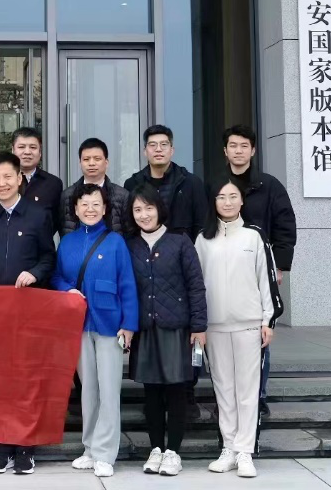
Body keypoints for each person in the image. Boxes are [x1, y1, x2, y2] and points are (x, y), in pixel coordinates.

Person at [0, 151, 56, 476]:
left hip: (28, 312)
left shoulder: (38, 215)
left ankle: (25, 446)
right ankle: (2, 445)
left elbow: (49, 258)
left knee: (26, 379)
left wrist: (34, 273)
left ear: (20, 178)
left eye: (8, 176)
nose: (2, 183)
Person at [53, 183, 138, 479]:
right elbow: (56, 276)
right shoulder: (67, 242)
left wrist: (129, 324)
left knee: (109, 389)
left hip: (110, 324)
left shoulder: (116, 241)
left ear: (105, 209)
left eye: (95, 204)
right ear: (75, 209)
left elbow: (127, 283)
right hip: (79, 324)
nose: (90, 209)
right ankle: (89, 447)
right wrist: (67, 289)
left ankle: (105, 453)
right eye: (84, 204)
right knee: (88, 389)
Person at [124, 187, 207, 477]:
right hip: (145, 328)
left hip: (176, 327)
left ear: (159, 209)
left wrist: (199, 326)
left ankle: (173, 451)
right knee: (151, 392)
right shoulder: (130, 245)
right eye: (137, 210)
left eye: (149, 208)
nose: (144, 215)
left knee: (176, 390)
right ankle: (156, 449)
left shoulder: (180, 242)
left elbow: (196, 286)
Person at [195, 182, 275, 479]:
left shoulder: (254, 236)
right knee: (224, 390)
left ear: (242, 202)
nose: (227, 202)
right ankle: (228, 447)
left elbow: (266, 280)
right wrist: (198, 324)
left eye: (233, 197)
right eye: (221, 197)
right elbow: (196, 284)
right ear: (213, 202)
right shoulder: (203, 239)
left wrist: (268, 320)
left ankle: (245, 451)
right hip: (214, 326)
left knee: (247, 390)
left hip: (249, 324)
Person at [222, 124, 297, 419]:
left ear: (253, 150)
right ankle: (228, 398)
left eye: (244, 146)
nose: (238, 151)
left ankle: (258, 396)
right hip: (224, 271)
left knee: (259, 335)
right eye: (233, 145)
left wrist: (280, 265)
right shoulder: (216, 186)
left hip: (259, 272)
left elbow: (285, 226)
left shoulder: (270, 186)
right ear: (225, 151)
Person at [124, 125, 209, 241]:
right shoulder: (132, 184)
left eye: (164, 144)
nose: (158, 149)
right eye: (152, 145)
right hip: (144, 250)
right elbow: (129, 225)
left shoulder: (191, 183)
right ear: (145, 151)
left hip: (183, 250)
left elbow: (202, 225)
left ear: (172, 150)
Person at [59, 138, 130, 235]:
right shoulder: (67, 195)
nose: (91, 163)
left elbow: (129, 232)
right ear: (80, 163)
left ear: (106, 162)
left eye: (97, 159)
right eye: (86, 159)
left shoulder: (122, 195)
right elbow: (63, 229)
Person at [11, 126, 63, 231]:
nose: (27, 152)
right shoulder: (1, 181)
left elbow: (56, 220)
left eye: (33, 147)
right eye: (21, 147)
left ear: (40, 152)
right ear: (13, 150)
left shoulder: (53, 183)